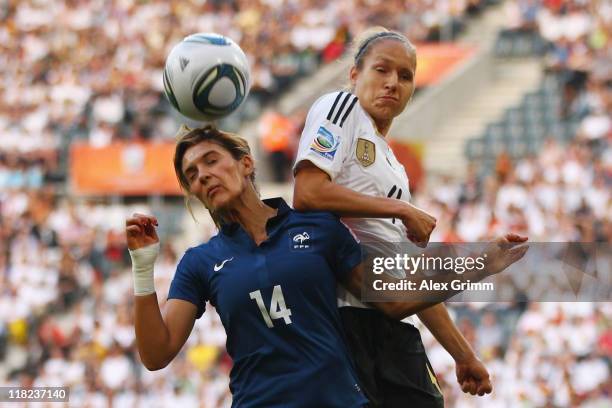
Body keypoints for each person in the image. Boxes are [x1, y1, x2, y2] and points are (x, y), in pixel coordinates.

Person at [126, 125, 527, 407]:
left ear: (246, 163)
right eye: (192, 176)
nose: (203, 177)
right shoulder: (200, 262)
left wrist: (479, 263)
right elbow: (156, 353)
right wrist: (143, 266)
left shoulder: (317, 226)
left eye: (211, 161)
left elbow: (393, 299)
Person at [293, 27, 496, 407]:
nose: (392, 84)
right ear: (355, 74)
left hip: (397, 325)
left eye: (405, 76)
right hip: (347, 319)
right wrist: (401, 208)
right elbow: (307, 192)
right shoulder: (342, 107)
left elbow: (407, 272)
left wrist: (463, 354)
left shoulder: (393, 166)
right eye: (382, 70)